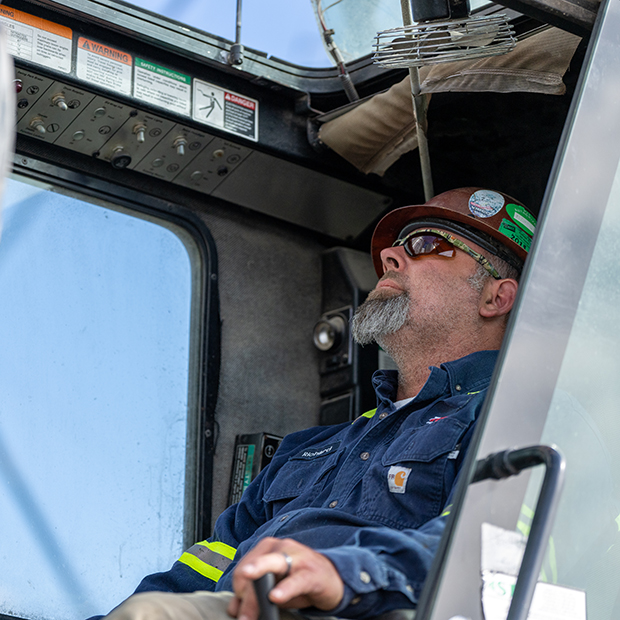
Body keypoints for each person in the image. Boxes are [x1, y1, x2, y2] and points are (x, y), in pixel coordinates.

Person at [100, 187, 536, 620]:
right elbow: (206, 566)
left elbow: (490, 548)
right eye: (394, 247)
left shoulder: (513, 418)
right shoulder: (306, 448)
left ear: (495, 297)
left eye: (425, 244)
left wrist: (342, 573)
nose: (391, 257)